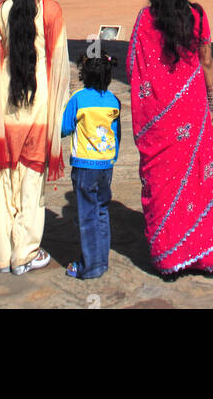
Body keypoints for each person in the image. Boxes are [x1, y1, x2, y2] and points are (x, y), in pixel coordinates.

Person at [126, 0, 213, 279]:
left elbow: (135, 69)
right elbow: (206, 61)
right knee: (198, 178)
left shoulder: (144, 19)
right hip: (192, 110)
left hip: (160, 118)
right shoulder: (197, 15)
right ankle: (205, 255)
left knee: (162, 182)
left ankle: (168, 259)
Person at [0, 0, 71, 275]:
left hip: (5, 110)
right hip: (38, 109)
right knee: (31, 184)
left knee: (4, 181)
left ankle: (5, 255)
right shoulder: (50, 11)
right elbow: (59, 61)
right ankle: (25, 253)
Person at [61, 49, 121, 281]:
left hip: (85, 165)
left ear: (83, 74)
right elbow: (115, 133)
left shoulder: (78, 99)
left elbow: (65, 128)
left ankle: (90, 265)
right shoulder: (113, 101)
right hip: (106, 165)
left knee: (86, 214)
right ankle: (101, 260)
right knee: (102, 210)